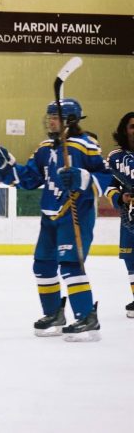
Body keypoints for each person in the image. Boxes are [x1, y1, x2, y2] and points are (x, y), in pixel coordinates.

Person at [0, 98, 110, 341]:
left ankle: (87, 316)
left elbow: (106, 177)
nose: (50, 121)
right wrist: (7, 167)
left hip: (75, 215)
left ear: (70, 121)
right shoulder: (45, 148)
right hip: (50, 217)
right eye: (50, 116)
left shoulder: (86, 146)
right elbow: (30, 178)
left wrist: (83, 178)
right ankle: (54, 313)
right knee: (42, 265)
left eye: (55, 117)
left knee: (70, 265)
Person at [104, 111, 134, 318]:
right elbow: (108, 186)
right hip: (129, 216)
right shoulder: (116, 158)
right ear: (124, 130)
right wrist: (121, 198)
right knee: (131, 258)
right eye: (132, 126)